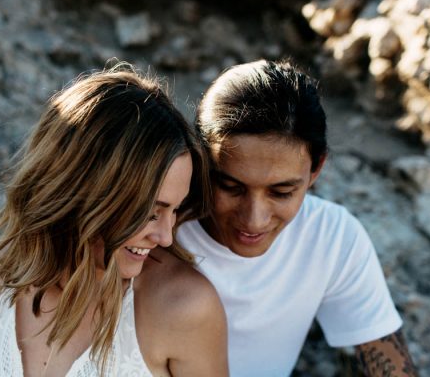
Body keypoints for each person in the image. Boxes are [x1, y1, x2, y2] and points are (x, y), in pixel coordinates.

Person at [0, 65, 229, 377]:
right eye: (150, 212)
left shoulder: (183, 309)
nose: (165, 237)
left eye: (174, 210)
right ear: (83, 193)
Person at [176, 59, 417, 376]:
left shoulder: (331, 238)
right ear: (202, 160)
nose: (254, 220)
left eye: (281, 192)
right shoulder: (157, 228)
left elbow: (390, 363)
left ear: (316, 169)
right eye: (231, 187)